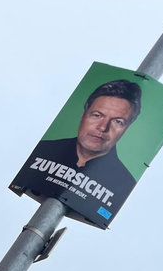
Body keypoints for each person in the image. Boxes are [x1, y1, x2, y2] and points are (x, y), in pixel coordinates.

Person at [20, 78, 141, 215]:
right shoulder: (44, 150)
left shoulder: (123, 182)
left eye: (118, 121)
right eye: (97, 115)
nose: (102, 127)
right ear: (84, 114)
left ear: (127, 127)